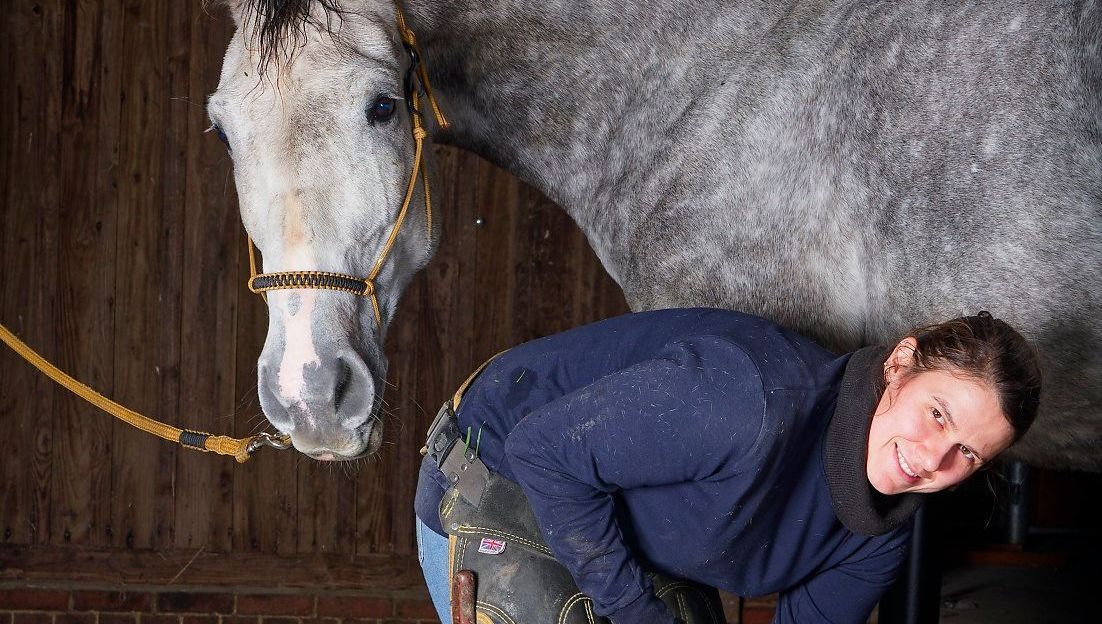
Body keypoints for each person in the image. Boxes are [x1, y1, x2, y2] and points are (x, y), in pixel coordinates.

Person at [414, 307, 1042, 624]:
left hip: (623, 526)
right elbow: (542, 451)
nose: (934, 459)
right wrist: (638, 615)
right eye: (938, 414)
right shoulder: (748, 401)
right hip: (499, 470)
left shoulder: (880, 531)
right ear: (900, 364)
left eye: (968, 453)